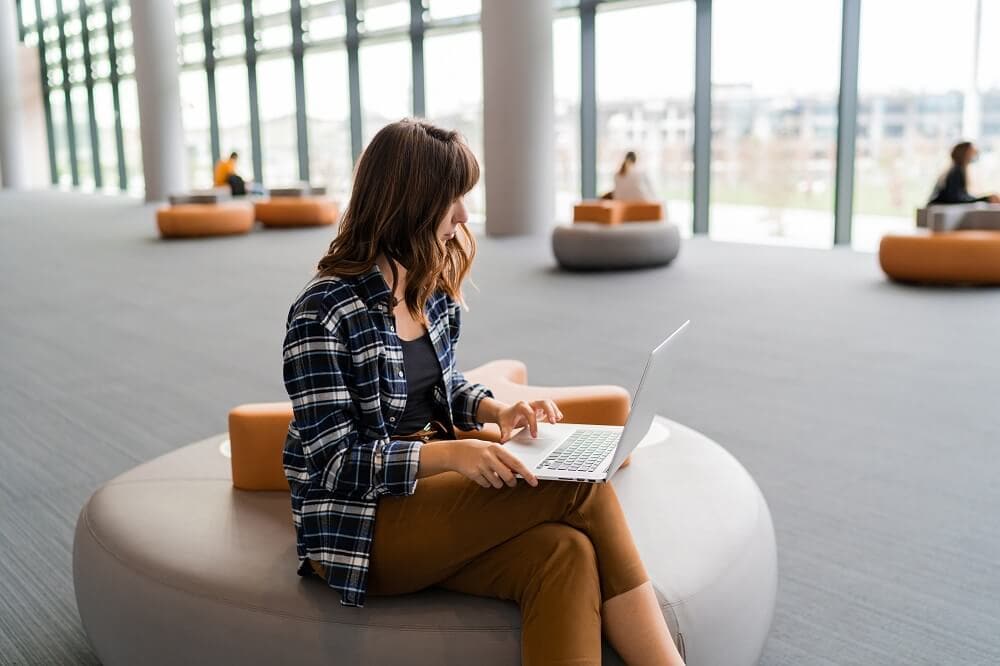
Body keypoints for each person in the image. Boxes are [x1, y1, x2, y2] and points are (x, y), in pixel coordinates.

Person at [281, 119, 684, 666]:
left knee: (565, 553)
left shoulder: (429, 288)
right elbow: (333, 461)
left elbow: (441, 385)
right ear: (410, 202)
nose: (465, 216)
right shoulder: (322, 312)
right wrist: (452, 453)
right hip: (363, 529)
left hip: (431, 499)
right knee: (581, 488)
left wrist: (498, 410)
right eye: (453, 199)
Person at [928, 142, 1000, 205]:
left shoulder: (957, 169)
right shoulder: (956, 171)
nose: (975, 154)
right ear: (964, 153)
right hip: (940, 209)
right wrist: (985, 199)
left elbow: (961, 196)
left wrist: (984, 199)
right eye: (972, 151)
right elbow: (956, 198)